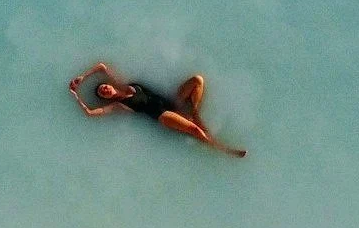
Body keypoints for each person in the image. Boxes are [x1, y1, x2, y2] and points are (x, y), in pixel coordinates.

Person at [69, 62, 247, 157]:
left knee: (197, 80)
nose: (105, 90)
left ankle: (194, 112)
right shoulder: (119, 106)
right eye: (103, 93)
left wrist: (82, 77)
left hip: (171, 103)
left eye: (104, 87)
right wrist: (76, 95)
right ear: (106, 98)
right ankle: (224, 150)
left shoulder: (125, 85)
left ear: (109, 84)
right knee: (194, 129)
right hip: (162, 115)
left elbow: (101, 66)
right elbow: (90, 112)